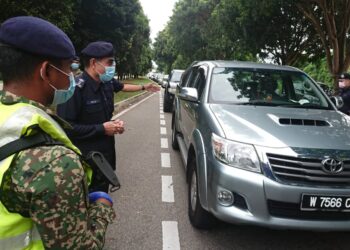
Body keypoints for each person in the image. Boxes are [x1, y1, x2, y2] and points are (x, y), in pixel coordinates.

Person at [0, 16, 115, 249]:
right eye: (68, 69)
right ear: (45, 71)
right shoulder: (56, 163)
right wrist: (102, 207)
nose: (71, 77)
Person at [57, 41, 159, 193]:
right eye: (109, 62)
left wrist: (113, 125)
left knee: (102, 200)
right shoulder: (75, 90)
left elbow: (121, 88)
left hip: (104, 158)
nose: (113, 66)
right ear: (93, 63)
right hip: (83, 163)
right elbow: (66, 129)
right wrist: (102, 129)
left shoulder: (106, 83)